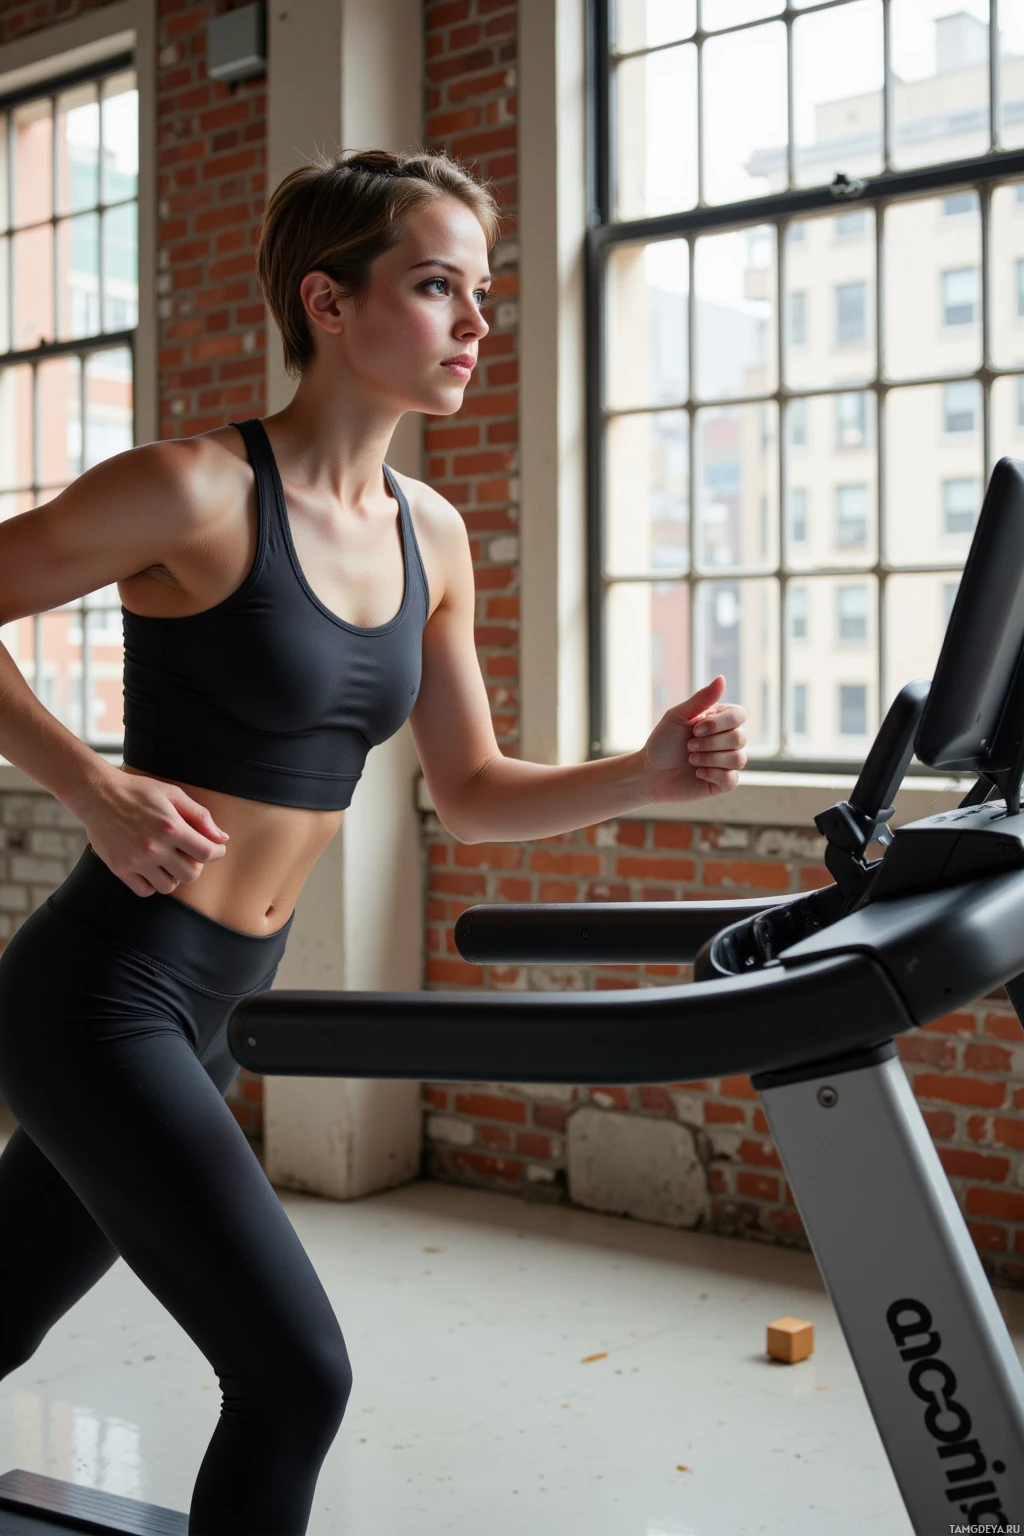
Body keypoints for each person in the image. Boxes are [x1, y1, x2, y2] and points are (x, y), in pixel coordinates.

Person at [0, 146, 748, 1533]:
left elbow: (471, 790)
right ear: (327, 306)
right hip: (101, 994)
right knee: (295, 1378)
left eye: (482, 291)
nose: (475, 323)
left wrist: (644, 772)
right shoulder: (194, 490)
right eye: (436, 286)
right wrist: (89, 786)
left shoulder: (435, 537)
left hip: (224, 998)